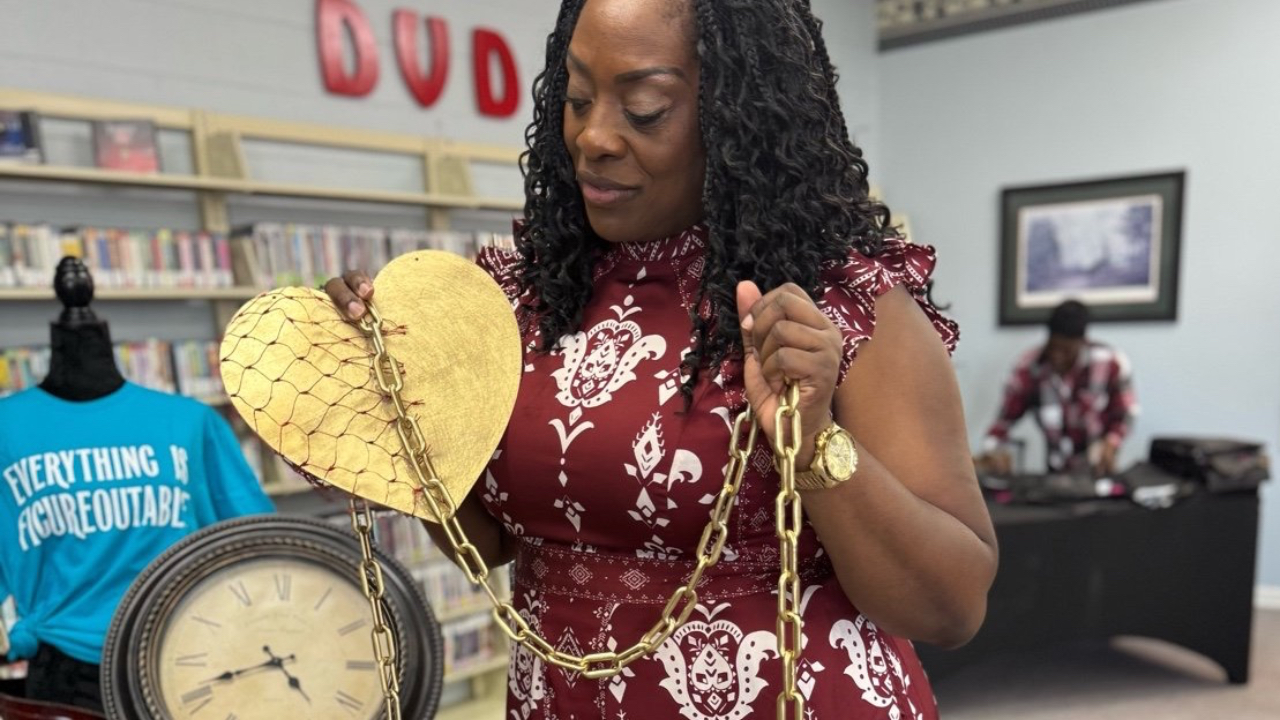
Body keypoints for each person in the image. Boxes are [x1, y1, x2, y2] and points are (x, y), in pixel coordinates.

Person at [327, 0, 996, 717]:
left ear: (740, 118)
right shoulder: (524, 300)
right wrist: (392, 404)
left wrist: (814, 442)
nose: (593, 136)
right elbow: (483, 546)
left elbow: (951, 608)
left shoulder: (840, 305)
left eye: (644, 110)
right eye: (577, 98)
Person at [0, 258, 275, 712]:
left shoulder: (190, 422)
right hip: (66, 674)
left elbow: (258, 544)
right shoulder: (7, 429)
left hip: (190, 657)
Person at [977, 300, 1138, 476]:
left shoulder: (1110, 363)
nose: (1057, 356)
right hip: (1055, 471)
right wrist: (993, 449)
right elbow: (1005, 420)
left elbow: (1126, 413)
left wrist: (1112, 442)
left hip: (1098, 469)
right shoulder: (1029, 367)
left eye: (1066, 350)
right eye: (1053, 347)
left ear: (1083, 342)